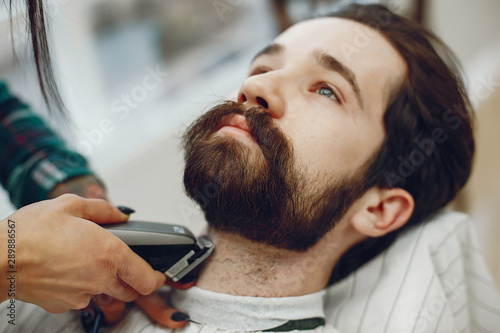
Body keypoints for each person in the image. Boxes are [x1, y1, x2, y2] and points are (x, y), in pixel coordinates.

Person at [3, 4, 499, 332]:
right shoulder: (49, 284)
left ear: (382, 207)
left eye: (327, 90)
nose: (255, 88)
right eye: (263, 67)